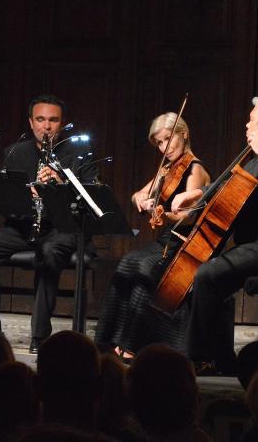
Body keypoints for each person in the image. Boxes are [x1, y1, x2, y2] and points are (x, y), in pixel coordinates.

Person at [171, 92, 258, 371]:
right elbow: (228, 192)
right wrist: (197, 197)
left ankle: (198, 358)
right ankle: (222, 359)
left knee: (210, 273)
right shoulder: (254, 163)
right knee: (212, 278)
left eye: (251, 122)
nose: (246, 127)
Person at [0, 95, 99, 353]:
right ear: (30, 122)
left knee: (48, 253)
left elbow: (92, 198)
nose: (46, 126)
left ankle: (40, 337)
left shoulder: (79, 154)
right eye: (40, 119)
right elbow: (4, 203)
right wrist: (25, 195)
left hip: (63, 229)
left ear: (62, 123)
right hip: (24, 226)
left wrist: (61, 185)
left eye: (52, 120)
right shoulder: (15, 153)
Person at [95, 112, 210, 358]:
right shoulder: (167, 169)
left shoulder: (195, 170)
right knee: (128, 261)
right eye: (159, 142)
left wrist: (165, 214)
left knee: (144, 265)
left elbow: (186, 217)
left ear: (184, 134)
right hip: (166, 241)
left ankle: (133, 344)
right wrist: (143, 201)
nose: (164, 148)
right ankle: (110, 339)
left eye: (168, 139)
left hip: (185, 245)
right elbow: (138, 194)